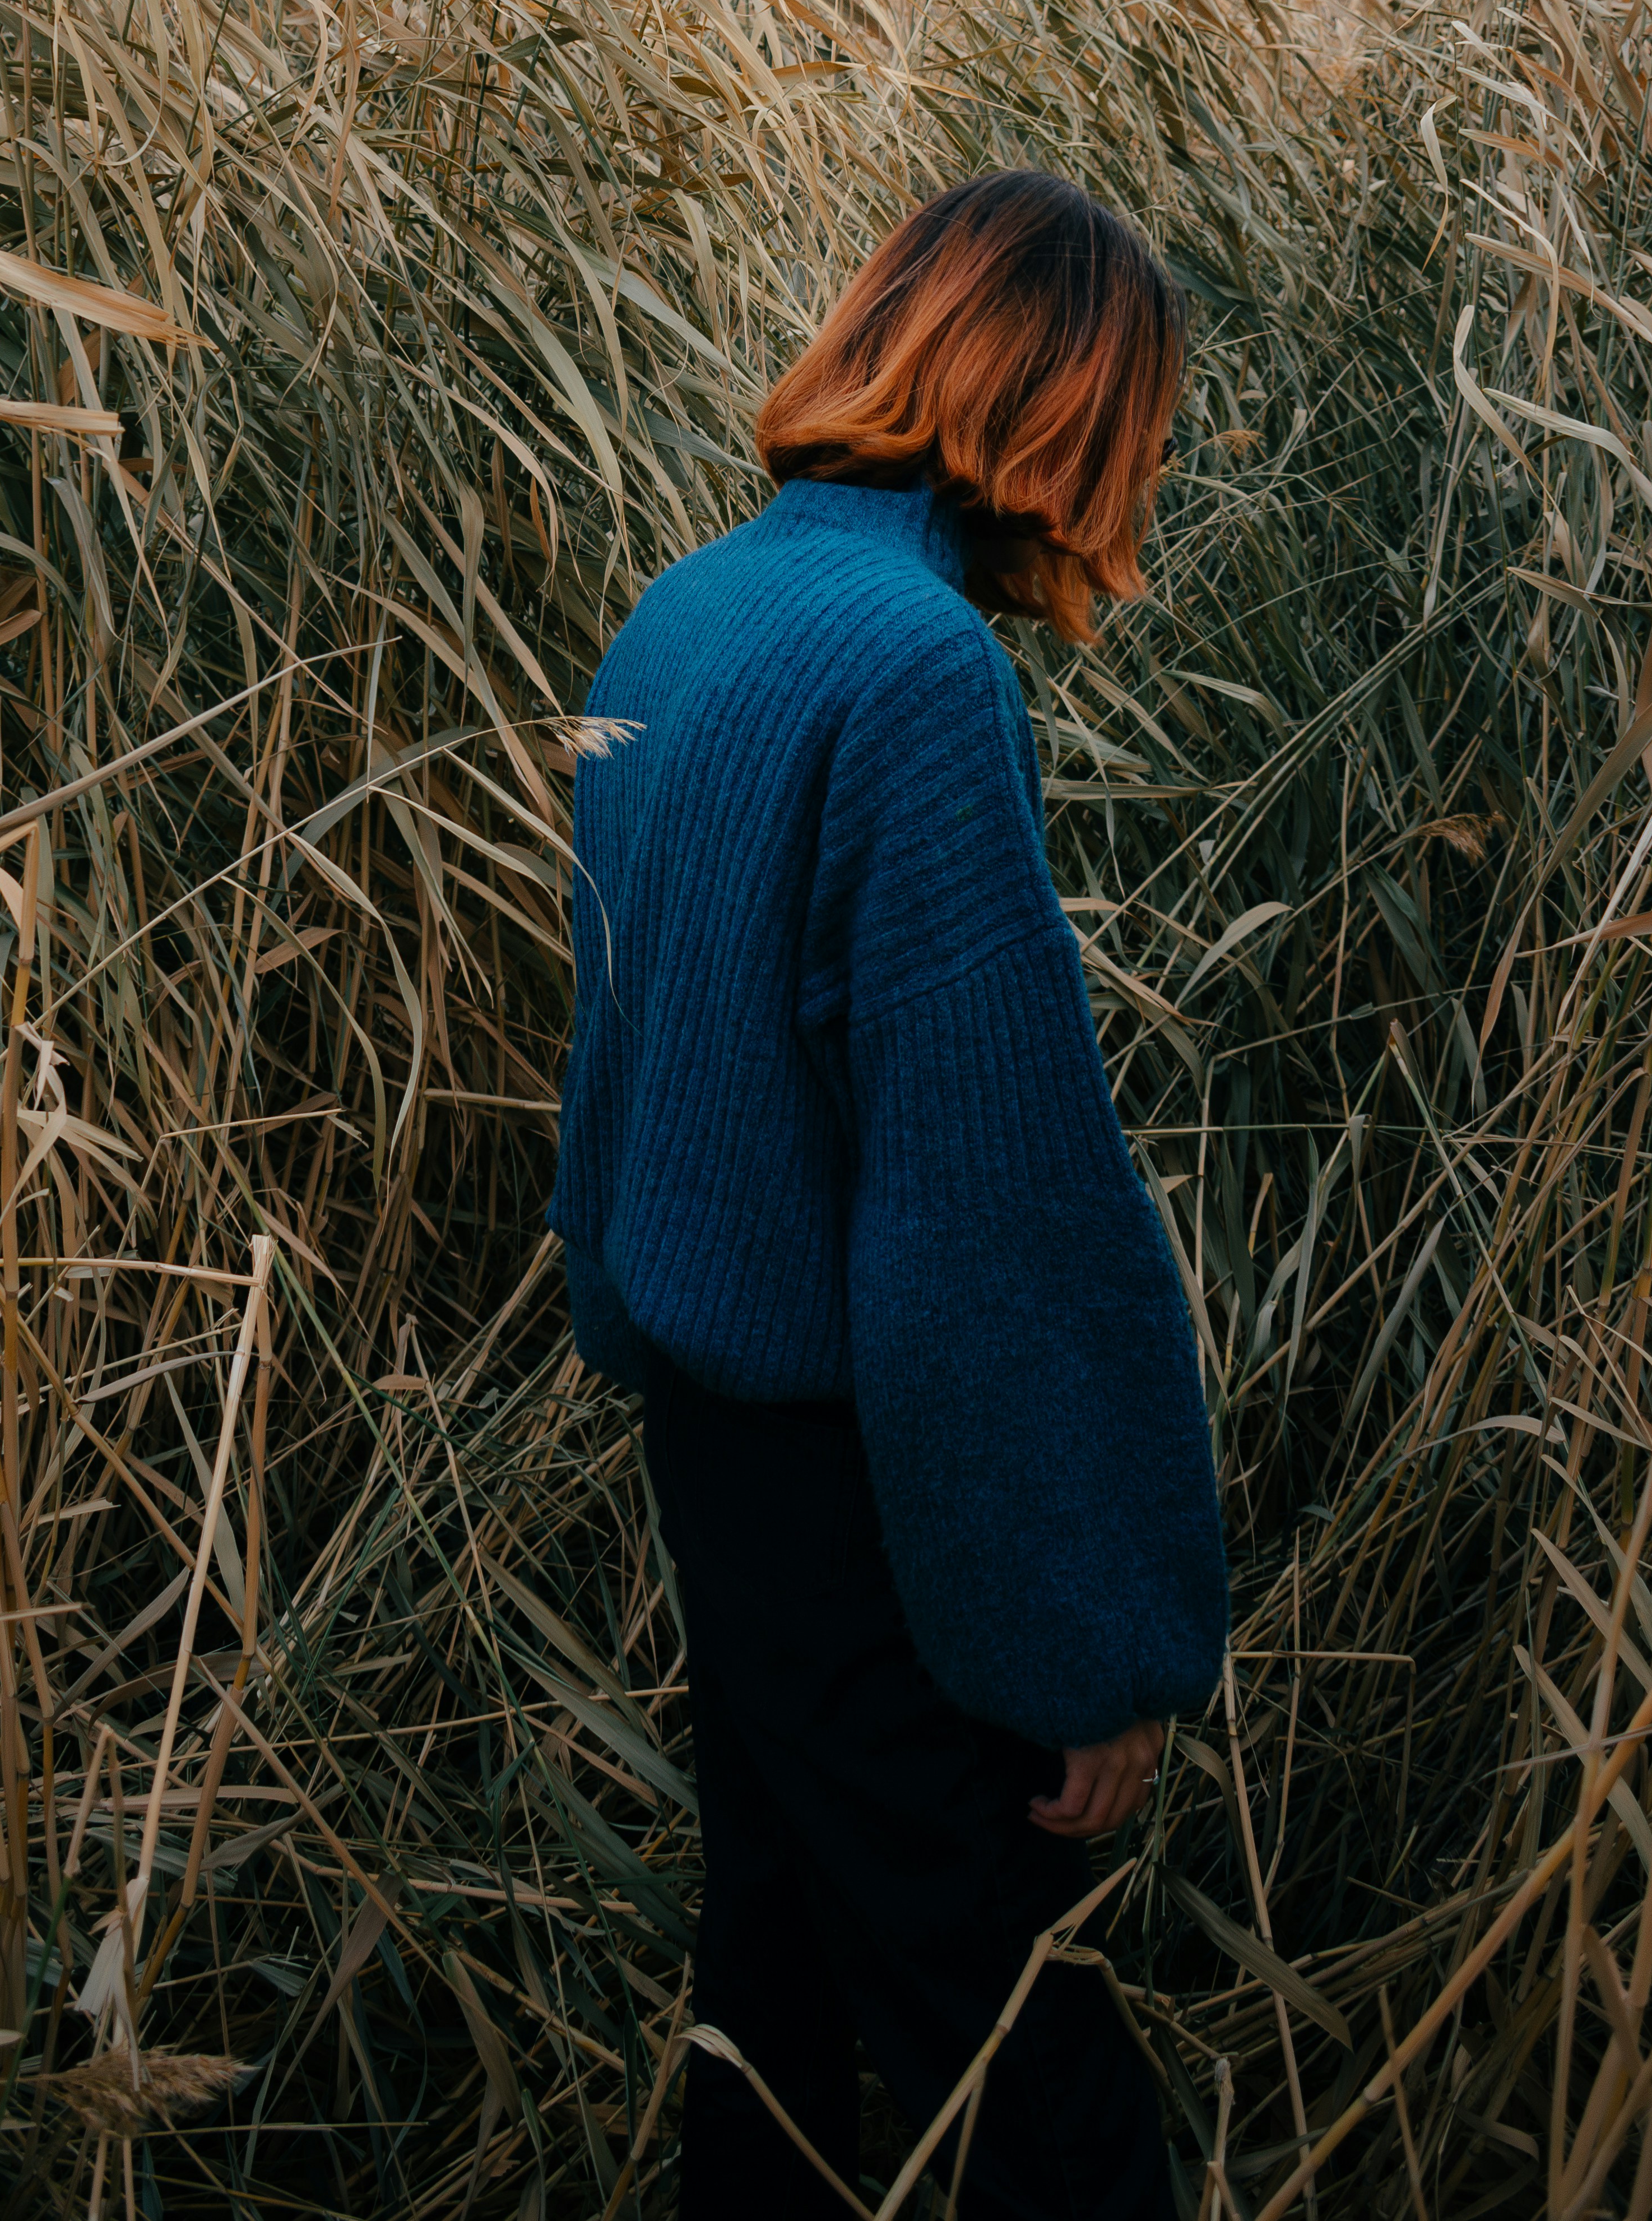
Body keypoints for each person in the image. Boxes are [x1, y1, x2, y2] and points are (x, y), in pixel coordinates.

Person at [548, 171, 1229, 2219]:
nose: (1142, 477)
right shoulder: (919, 672)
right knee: (1017, 2066)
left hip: (708, 1439)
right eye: (1140, 428)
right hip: (853, 1493)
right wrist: (1082, 1643)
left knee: (768, 1983)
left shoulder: (693, 604)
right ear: (1067, 406)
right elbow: (982, 1215)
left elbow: (617, 1050)